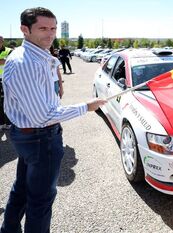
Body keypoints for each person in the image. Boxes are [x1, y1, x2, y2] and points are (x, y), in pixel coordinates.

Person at [0, 7, 106, 233]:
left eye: (53, 28)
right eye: (43, 28)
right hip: (40, 137)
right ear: (24, 30)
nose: (50, 34)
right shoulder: (27, 62)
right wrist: (86, 107)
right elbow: (43, 116)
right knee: (40, 201)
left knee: (22, 189)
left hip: (28, 135)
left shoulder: (36, 55)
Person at [0, 35, 12, 130]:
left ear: (3, 41)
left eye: (0, 41)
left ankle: (8, 123)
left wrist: (4, 60)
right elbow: (3, 61)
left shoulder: (9, 51)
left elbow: (8, 61)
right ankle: (1, 123)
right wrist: (3, 60)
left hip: (6, 79)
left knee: (7, 102)